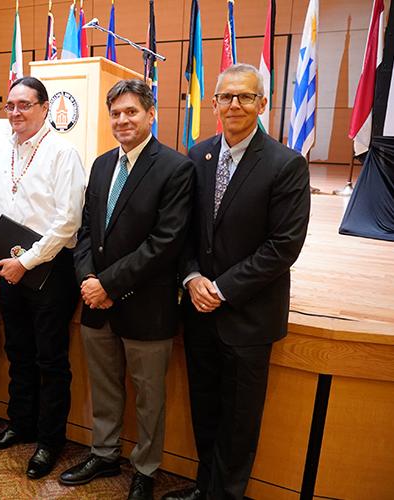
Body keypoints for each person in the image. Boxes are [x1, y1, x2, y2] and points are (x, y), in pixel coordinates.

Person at [162, 64, 311, 500]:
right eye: (226, 97)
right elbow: (182, 231)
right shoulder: (197, 155)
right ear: (214, 104)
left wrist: (221, 288)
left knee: (240, 420)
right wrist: (191, 277)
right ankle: (205, 486)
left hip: (247, 315)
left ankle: (224, 495)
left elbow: (282, 246)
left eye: (245, 97)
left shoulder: (286, 164)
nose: (235, 105)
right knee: (205, 409)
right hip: (197, 309)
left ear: (262, 104)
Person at [64, 79, 194, 499]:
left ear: (151, 114)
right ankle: (103, 454)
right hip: (96, 301)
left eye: (131, 112)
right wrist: (87, 279)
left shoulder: (175, 168)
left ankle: (145, 468)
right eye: (116, 113)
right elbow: (85, 230)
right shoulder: (102, 164)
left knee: (149, 398)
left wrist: (108, 284)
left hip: (145, 304)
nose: (122, 120)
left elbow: (165, 243)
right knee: (104, 386)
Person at [0, 76, 86, 480]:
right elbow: (0, 206)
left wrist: (26, 260)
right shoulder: (5, 148)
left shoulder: (62, 152)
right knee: (19, 351)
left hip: (49, 266)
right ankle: (20, 423)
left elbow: (68, 222)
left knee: (51, 358)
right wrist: (5, 260)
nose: (16, 113)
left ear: (45, 108)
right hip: (9, 265)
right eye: (10, 106)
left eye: (24, 105)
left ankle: (49, 440)